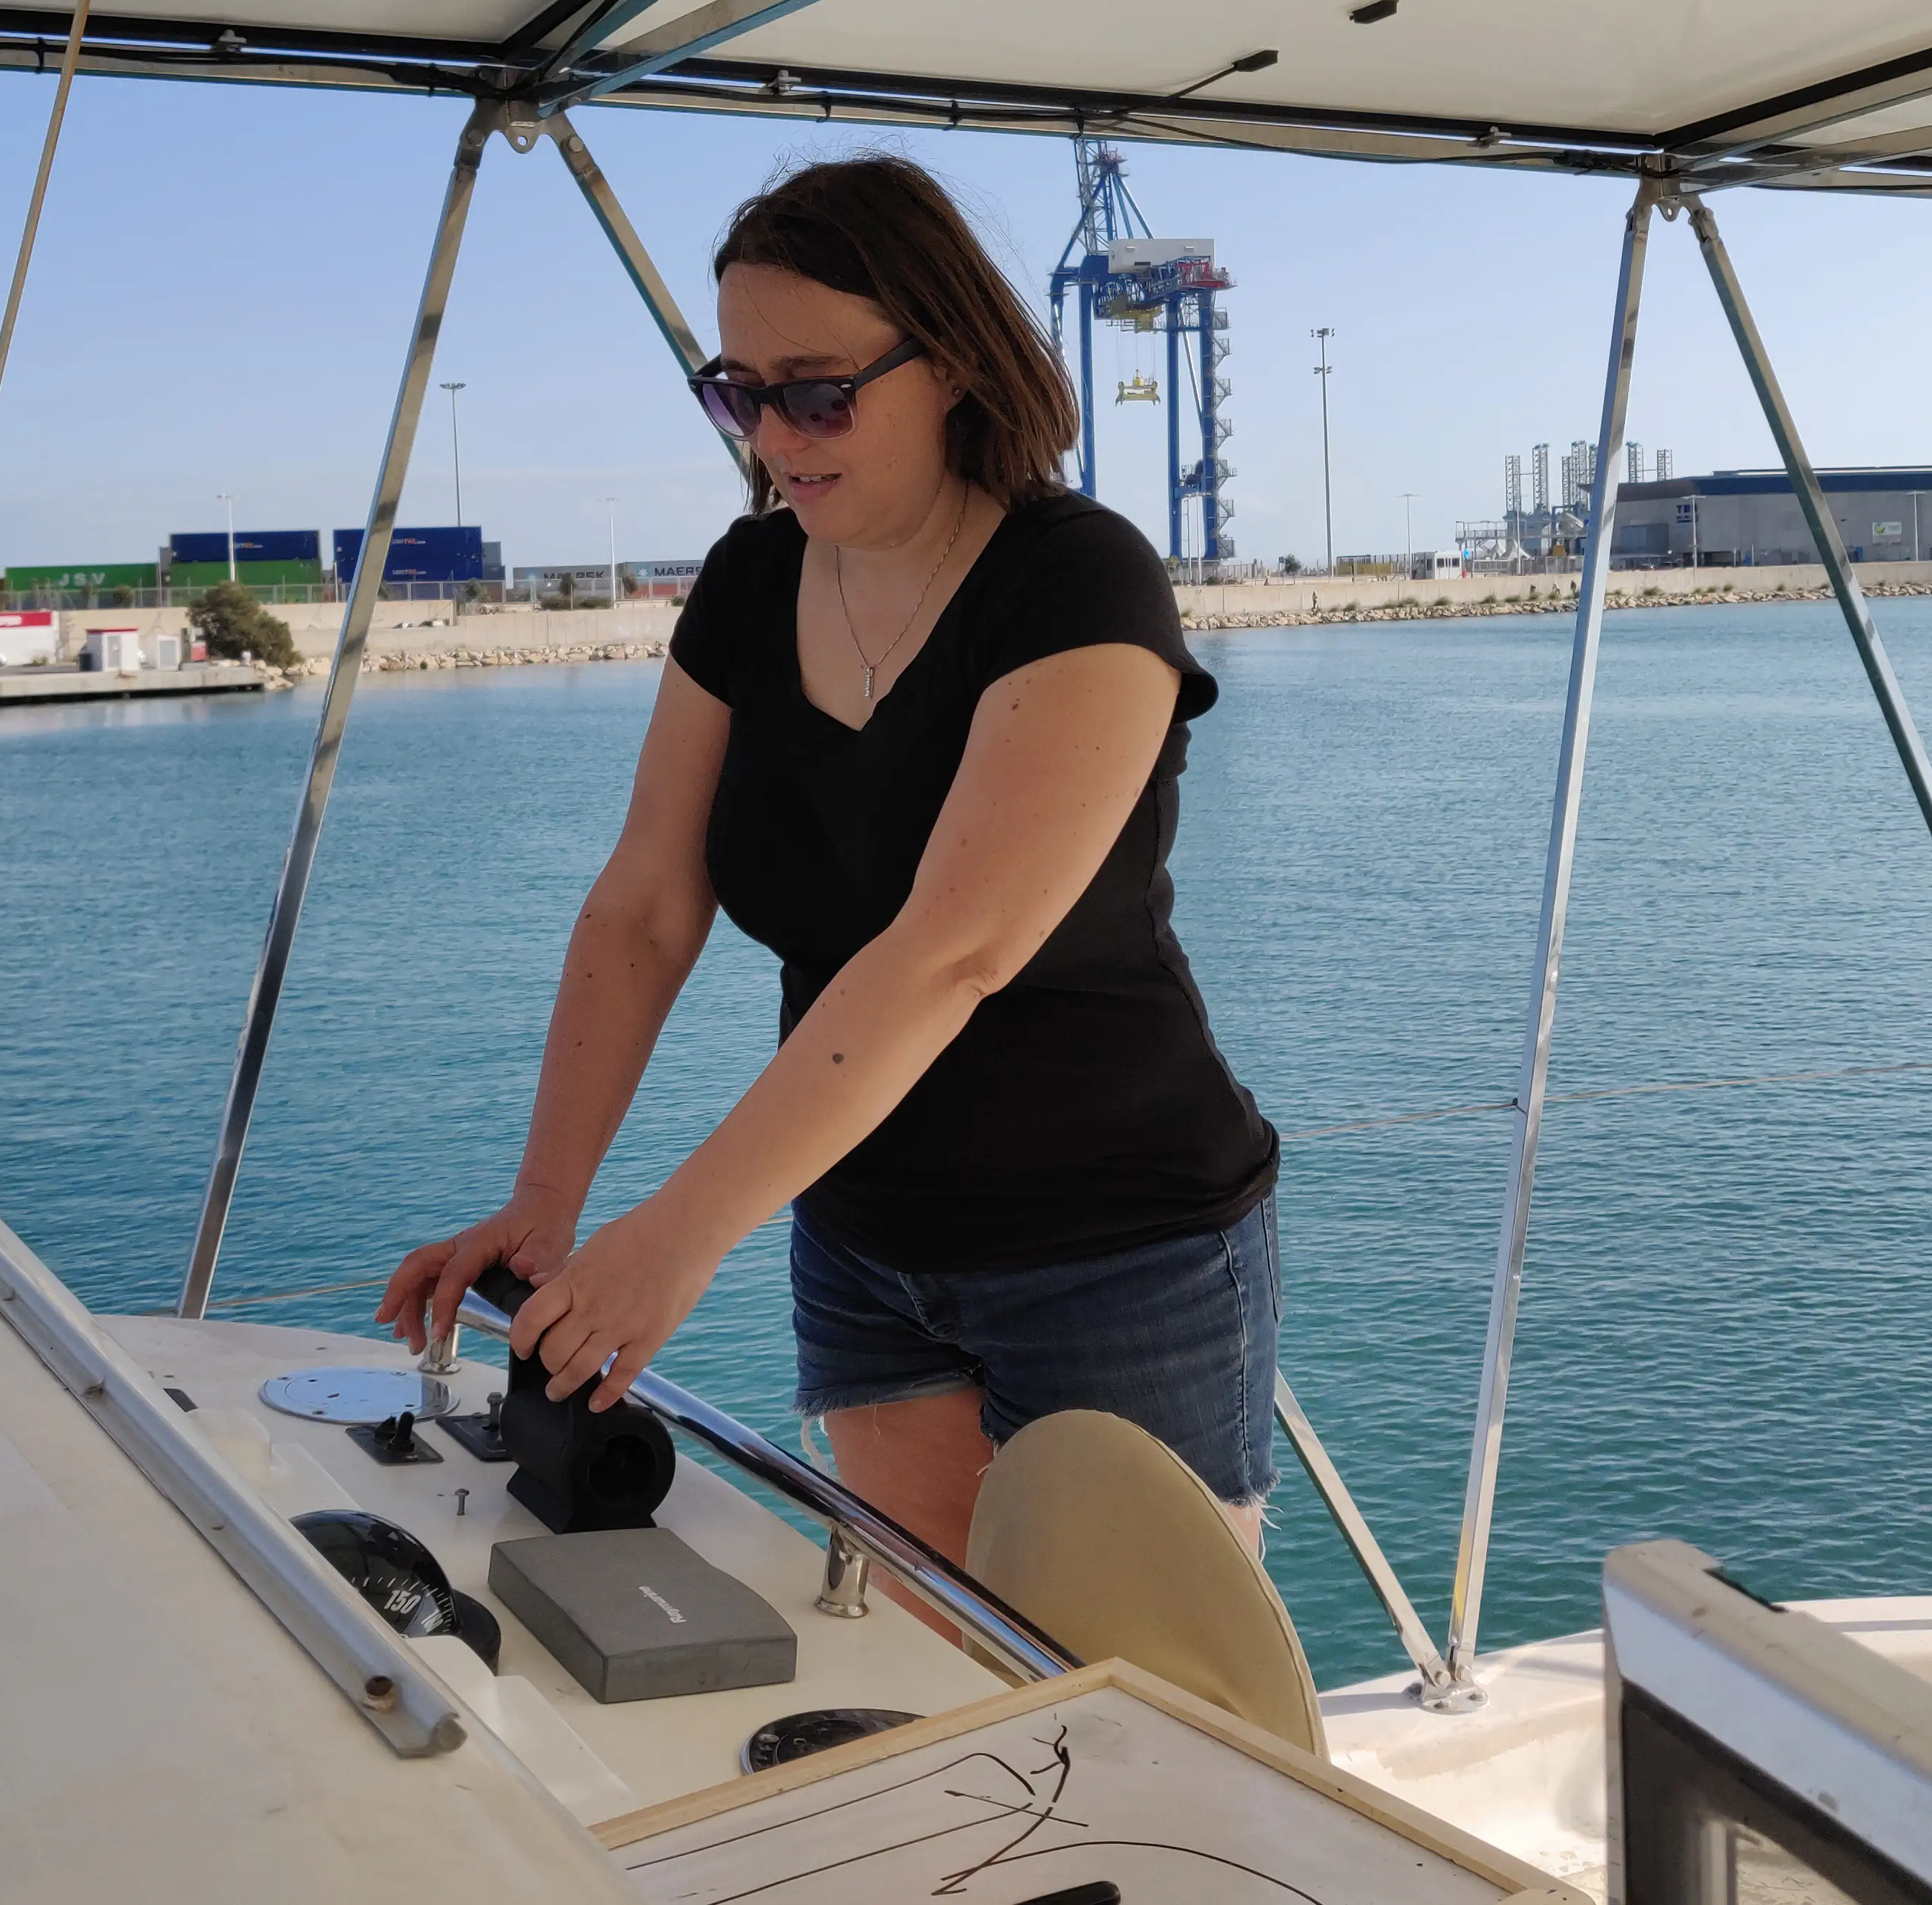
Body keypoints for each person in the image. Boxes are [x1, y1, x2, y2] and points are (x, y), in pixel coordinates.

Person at [379, 155, 1280, 1561]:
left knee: (1145, 1702)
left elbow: (952, 950)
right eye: (739, 393)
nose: (774, 435)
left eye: (816, 390)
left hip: (1119, 1246)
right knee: (933, 1652)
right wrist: (548, 1207)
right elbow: (646, 905)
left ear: (960, 363)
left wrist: (679, 1238)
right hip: (865, 1242)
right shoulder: (749, 582)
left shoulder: (1078, 582)